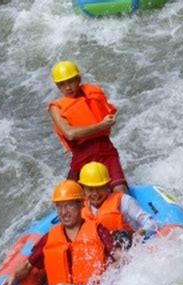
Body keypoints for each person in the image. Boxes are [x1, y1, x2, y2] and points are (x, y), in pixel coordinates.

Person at [2, 180, 120, 285]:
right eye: (59, 207)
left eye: (68, 206)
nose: (63, 212)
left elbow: (119, 257)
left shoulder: (98, 230)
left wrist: (109, 277)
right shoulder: (51, 237)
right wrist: (14, 276)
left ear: (81, 204)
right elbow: (29, 265)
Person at [48, 60, 128, 193]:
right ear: (58, 86)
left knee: (120, 189)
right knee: (69, 195)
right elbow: (70, 134)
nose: (67, 87)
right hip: (81, 156)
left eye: (71, 81)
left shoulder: (94, 93)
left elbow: (109, 112)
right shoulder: (56, 108)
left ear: (78, 79)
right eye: (62, 84)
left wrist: (108, 121)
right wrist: (101, 125)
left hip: (106, 150)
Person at [78, 161, 159, 240]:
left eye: (99, 188)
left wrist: (142, 232)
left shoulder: (124, 201)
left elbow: (152, 223)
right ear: (83, 190)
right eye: (90, 189)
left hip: (128, 245)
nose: (95, 193)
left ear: (107, 185)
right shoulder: (80, 209)